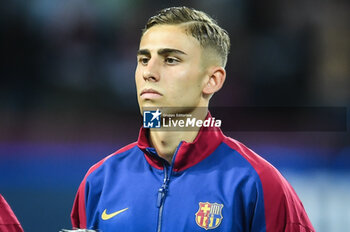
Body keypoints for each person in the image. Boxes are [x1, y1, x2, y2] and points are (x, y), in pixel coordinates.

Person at [71, 6, 315, 231]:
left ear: (212, 80)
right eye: (144, 59)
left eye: (171, 60)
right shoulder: (99, 181)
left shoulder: (257, 184)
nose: (149, 72)